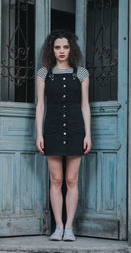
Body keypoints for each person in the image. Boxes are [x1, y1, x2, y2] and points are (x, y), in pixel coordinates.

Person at [35, 29, 91, 241]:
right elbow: (40, 106)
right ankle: (58, 227)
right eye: (57, 47)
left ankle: (69, 227)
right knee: (56, 179)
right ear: (52, 49)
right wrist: (39, 134)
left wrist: (88, 135)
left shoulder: (82, 73)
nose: (61, 51)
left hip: (76, 129)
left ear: (71, 49)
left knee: (71, 179)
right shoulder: (43, 74)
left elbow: (85, 106)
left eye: (65, 47)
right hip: (52, 129)